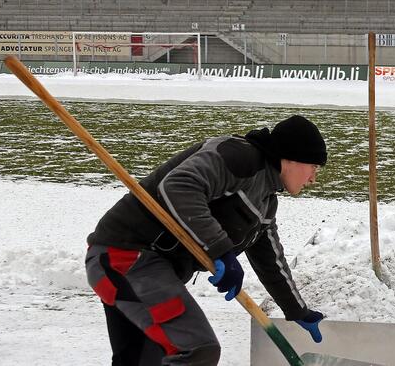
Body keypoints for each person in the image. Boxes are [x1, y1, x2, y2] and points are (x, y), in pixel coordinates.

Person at [85, 115, 329, 365]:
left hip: (143, 267)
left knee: (143, 360)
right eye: (313, 167)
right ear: (290, 158)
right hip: (127, 257)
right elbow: (179, 185)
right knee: (197, 349)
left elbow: (271, 261)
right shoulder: (239, 157)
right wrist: (220, 250)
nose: (313, 178)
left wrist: (298, 310)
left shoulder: (266, 201)